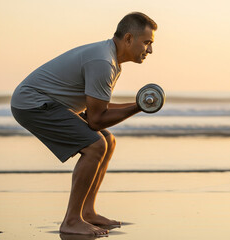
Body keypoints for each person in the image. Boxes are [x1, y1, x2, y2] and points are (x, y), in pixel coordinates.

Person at [10, 12, 157, 236]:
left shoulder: (110, 60)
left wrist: (138, 104)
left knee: (108, 140)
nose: (150, 50)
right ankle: (71, 220)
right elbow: (97, 120)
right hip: (32, 104)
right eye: (147, 42)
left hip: (48, 103)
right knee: (95, 145)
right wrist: (139, 107)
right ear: (128, 39)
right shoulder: (103, 62)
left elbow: (95, 110)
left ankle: (87, 212)